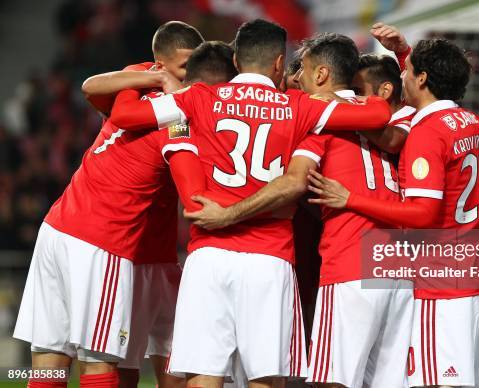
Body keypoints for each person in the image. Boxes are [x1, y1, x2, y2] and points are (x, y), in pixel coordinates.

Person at [108, 18, 392, 388]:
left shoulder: (199, 98)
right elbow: (378, 114)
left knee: (203, 376)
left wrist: (147, 78)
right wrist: (331, 98)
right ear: (278, 65)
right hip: (269, 259)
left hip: (209, 255)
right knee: (265, 377)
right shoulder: (298, 107)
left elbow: (123, 116)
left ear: (237, 62)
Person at [12, 41, 235, 388]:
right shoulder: (179, 119)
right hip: (104, 240)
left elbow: (98, 93)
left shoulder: (135, 85)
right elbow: (194, 198)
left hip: (58, 229)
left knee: (49, 363)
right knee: (100, 363)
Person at [307, 38, 479, 388]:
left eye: (408, 72)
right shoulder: (471, 122)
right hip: (474, 276)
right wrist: (402, 52)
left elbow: (423, 214)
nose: (403, 79)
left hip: (439, 284)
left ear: (423, 78)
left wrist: (351, 199)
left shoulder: (427, 134)